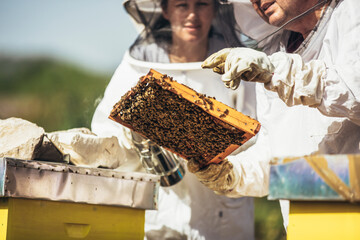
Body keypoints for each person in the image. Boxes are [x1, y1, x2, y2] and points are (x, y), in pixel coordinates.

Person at [187, 0, 360, 231]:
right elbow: (276, 155)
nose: (255, 2)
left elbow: (354, 93)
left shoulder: (351, 12)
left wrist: (277, 72)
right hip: (305, 224)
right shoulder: (273, 54)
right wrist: (232, 173)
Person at [91, 0, 258, 239]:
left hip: (224, 218)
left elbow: (261, 134)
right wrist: (132, 135)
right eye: (182, 5)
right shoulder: (136, 67)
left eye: (201, 4)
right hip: (162, 216)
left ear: (215, 8)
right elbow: (104, 134)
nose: (192, 15)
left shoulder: (236, 66)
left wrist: (229, 164)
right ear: (166, 10)